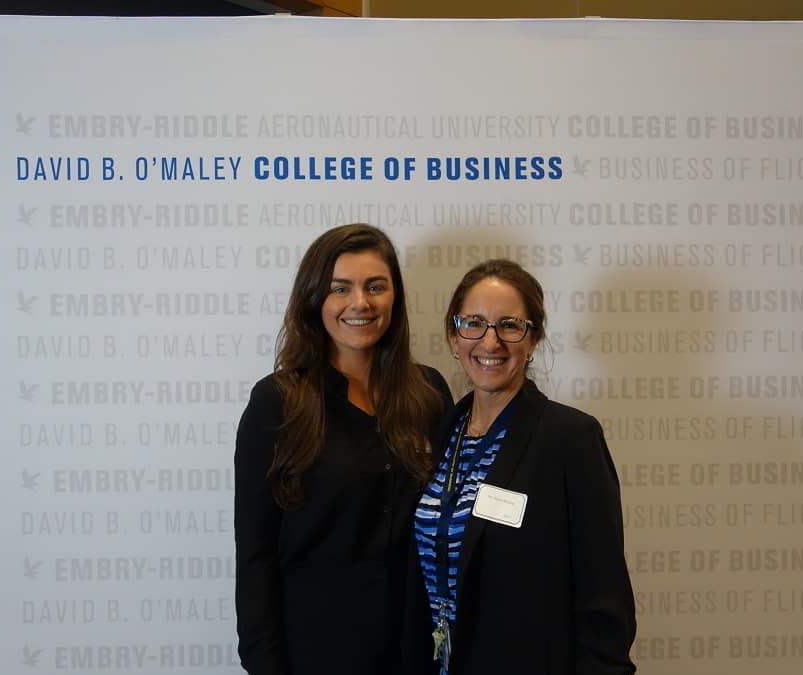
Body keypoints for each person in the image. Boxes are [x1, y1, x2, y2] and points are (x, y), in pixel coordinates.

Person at [235, 224, 452, 675]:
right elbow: (256, 557)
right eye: (341, 288)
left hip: (420, 653)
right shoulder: (277, 402)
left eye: (376, 286)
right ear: (315, 299)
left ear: (395, 297)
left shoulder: (430, 392)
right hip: (316, 654)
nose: (361, 303)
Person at [411, 258, 636, 675]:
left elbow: (604, 601)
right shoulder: (443, 431)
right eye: (474, 323)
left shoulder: (570, 439)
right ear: (454, 336)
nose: (490, 342)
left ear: (532, 340)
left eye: (510, 326)